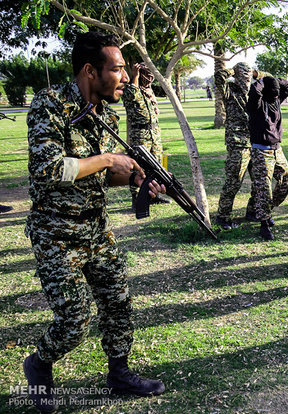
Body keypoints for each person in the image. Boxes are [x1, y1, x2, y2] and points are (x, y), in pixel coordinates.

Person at [23, 32, 166, 412]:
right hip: (56, 233)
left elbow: (102, 176)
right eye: (117, 68)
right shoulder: (49, 105)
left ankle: (119, 373)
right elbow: (47, 169)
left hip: (95, 228)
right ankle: (39, 365)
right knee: (75, 318)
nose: (124, 76)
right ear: (90, 70)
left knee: (118, 303)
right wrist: (106, 159)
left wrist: (136, 179)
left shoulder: (106, 114)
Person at [245, 76, 288, 240]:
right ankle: (264, 223)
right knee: (263, 189)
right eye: (272, 91)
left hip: (277, 150)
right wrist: (261, 81)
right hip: (261, 152)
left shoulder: (276, 100)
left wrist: (274, 79)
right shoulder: (255, 104)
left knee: (286, 182)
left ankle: (263, 209)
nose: (276, 94)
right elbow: (254, 91)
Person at [214, 62, 258, 230]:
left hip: (255, 141)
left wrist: (256, 73)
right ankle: (222, 216)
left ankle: (252, 211)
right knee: (234, 180)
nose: (246, 80)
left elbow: (270, 79)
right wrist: (233, 70)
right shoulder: (230, 91)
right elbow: (218, 77)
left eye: (249, 76)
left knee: (259, 179)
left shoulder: (254, 91)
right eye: (243, 76)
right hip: (238, 142)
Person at [122, 62, 170, 210]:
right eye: (146, 74)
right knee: (139, 167)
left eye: (151, 75)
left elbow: (165, 89)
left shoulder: (149, 91)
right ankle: (137, 199)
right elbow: (132, 94)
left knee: (156, 166)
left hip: (154, 133)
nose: (149, 78)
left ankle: (153, 194)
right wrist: (135, 77)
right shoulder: (130, 90)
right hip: (140, 134)